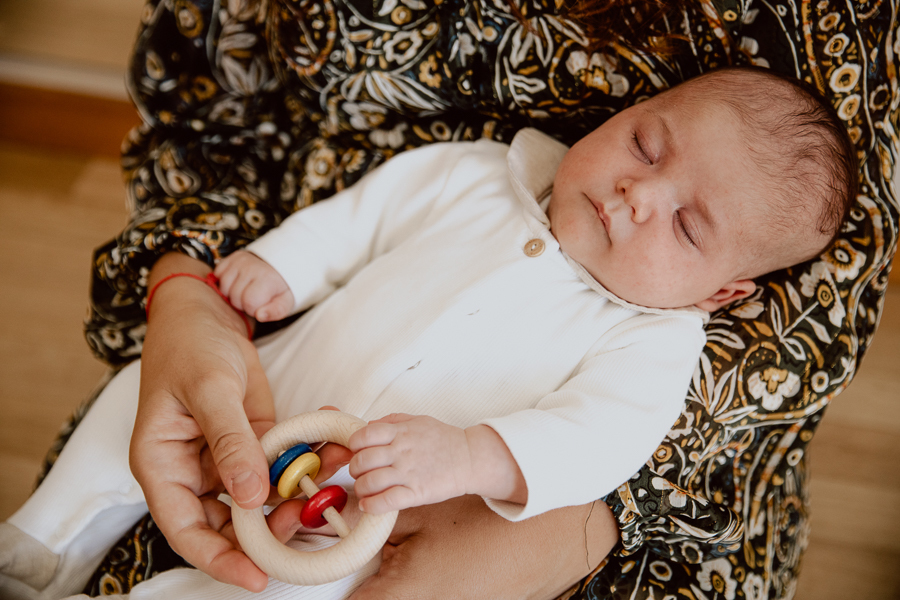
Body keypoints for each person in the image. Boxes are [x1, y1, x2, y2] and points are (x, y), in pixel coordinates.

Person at [11, 0, 898, 596]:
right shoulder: (485, 173)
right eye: (644, 144)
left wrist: (477, 457)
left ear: (725, 290)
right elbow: (368, 215)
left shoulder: (652, 342)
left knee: (284, 591)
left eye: (687, 225)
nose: (638, 194)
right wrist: (282, 265)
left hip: (360, 512)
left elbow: (597, 440)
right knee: (136, 398)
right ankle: (41, 543)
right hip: (265, 387)